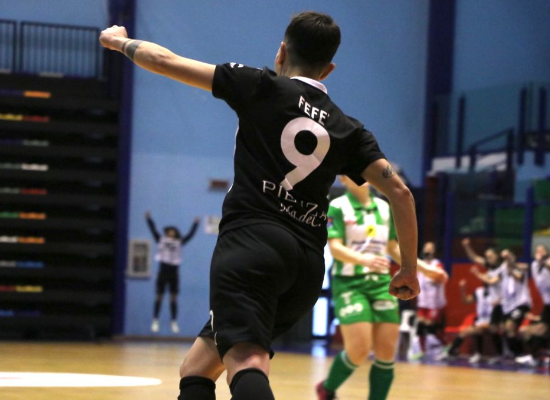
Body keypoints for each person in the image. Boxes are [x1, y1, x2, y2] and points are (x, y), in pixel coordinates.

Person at [100, 12, 421, 400]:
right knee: (197, 367)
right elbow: (401, 193)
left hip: (251, 247)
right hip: (305, 268)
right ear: (329, 69)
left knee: (247, 360)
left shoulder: (260, 86)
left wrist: (119, 41)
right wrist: (408, 269)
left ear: (281, 52)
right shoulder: (349, 129)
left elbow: (163, 60)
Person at [317, 178, 447, 400]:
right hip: (350, 284)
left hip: (380, 284)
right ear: (343, 179)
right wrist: (363, 259)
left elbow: (392, 247)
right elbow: (335, 248)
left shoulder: (384, 207)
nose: (360, 177)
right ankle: (327, 388)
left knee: (386, 353)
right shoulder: (337, 207)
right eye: (352, 173)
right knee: (359, 350)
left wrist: (425, 270)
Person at [146, 211, 200, 333]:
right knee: (159, 296)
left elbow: (190, 235)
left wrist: (195, 224)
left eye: (173, 231)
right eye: (169, 231)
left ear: (175, 233)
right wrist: (149, 219)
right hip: (163, 271)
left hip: (174, 272)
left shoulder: (179, 242)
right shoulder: (161, 240)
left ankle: (173, 320)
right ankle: (155, 319)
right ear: (166, 232)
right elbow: (153, 230)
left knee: (173, 298)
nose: (171, 233)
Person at [472, 249, 531, 360]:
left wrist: (510, 266)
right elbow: (492, 281)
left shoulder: (519, 268)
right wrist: (477, 274)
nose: (507, 260)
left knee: (510, 326)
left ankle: (521, 354)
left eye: (510, 258)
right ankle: (512, 353)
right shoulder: (502, 271)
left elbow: (518, 276)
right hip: (508, 306)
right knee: (504, 329)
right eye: (506, 259)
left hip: (521, 303)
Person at [462, 238, 504, 362]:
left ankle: (505, 353)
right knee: (493, 329)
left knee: (500, 329)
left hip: (504, 303)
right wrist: (467, 246)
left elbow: (491, 281)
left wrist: (477, 273)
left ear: (497, 256)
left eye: (491, 256)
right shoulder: (490, 267)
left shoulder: (503, 268)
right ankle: (500, 354)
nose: (488, 259)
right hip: (496, 304)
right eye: (487, 257)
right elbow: (475, 258)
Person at [515, 244, 550, 367]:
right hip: (547, 305)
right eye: (537, 251)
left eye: (542, 251)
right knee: (535, 331)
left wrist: (544, 261)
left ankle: (534, 357)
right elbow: (522, 267)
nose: (539, 253)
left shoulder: (547, 262)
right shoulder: (535, 265)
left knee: (540, 330)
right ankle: (535, 357)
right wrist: (510, 261)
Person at [413, 241, 448, 360]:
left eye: (430, 248)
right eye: (426, 248)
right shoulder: (420, 264)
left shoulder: (437, 264)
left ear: (434, 251)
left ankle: (446, 346)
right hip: (423, 301)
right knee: (420, 326)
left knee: (430, 326)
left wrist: (430, 275)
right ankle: (422, 351)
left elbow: (438, 278)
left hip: (434, 302)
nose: (427, 250)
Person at [447, 279, 493, 363]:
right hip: (480, 321)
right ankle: (452, 351)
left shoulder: (498, 292)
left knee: (478, 329)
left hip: (493, 321)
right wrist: (462, 289)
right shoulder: (479, 292)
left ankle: (479, 354)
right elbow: (466, 301)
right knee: (464, 332)